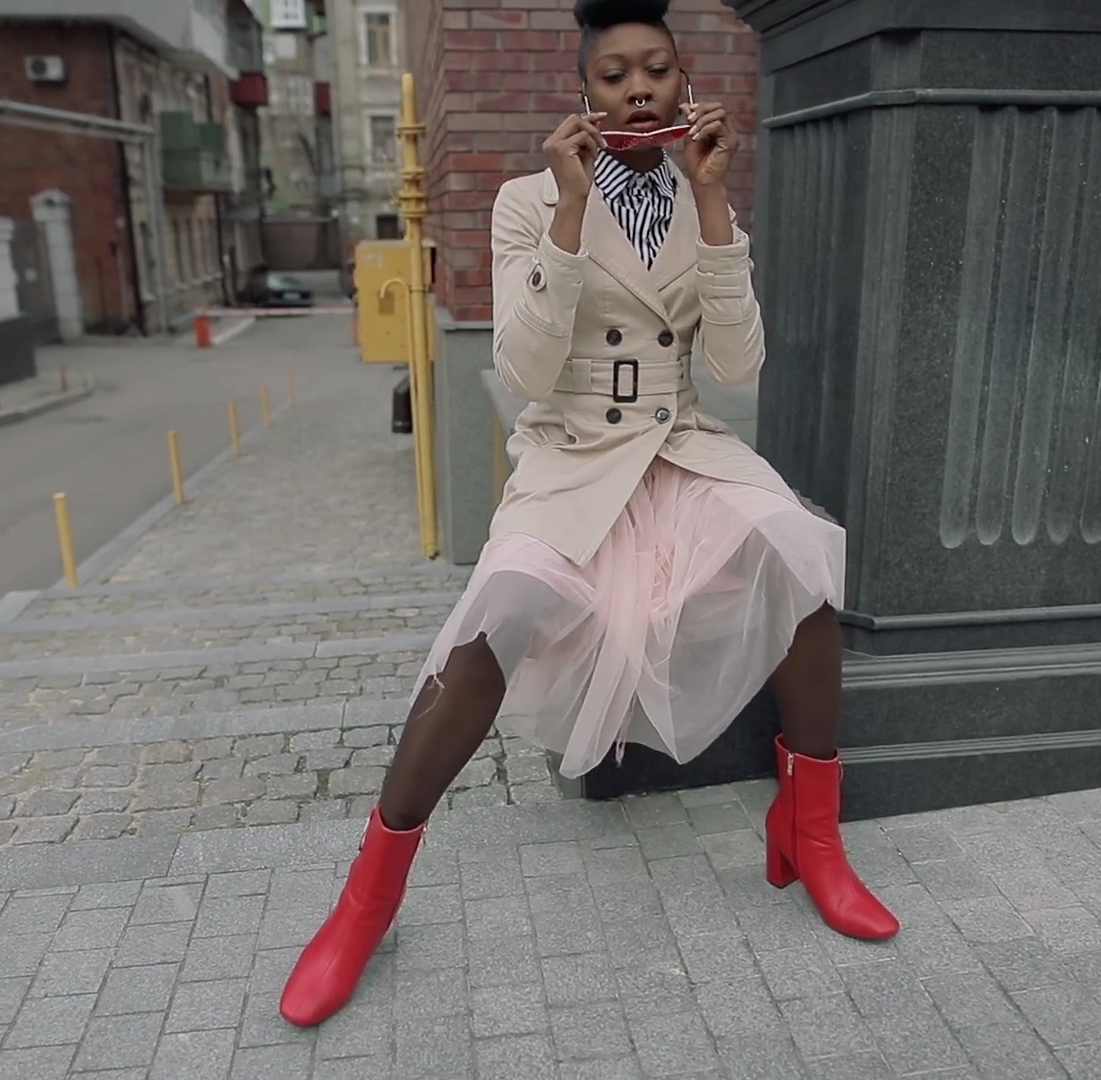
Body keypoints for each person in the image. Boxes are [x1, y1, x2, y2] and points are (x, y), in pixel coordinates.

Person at [278, 0, 900, 1028]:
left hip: (678, 446)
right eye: (615, 76)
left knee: (798, 558)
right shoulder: (529, 200)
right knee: (492, 622)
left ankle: (813, 834)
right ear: (585, 94)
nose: (640, 89)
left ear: (682, 81)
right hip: (571, 460)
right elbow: (522, 373)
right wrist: (571, 216)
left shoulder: (711, 201)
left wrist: (711, 212)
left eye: (657, 69)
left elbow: (739, 365)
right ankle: (365, 901)